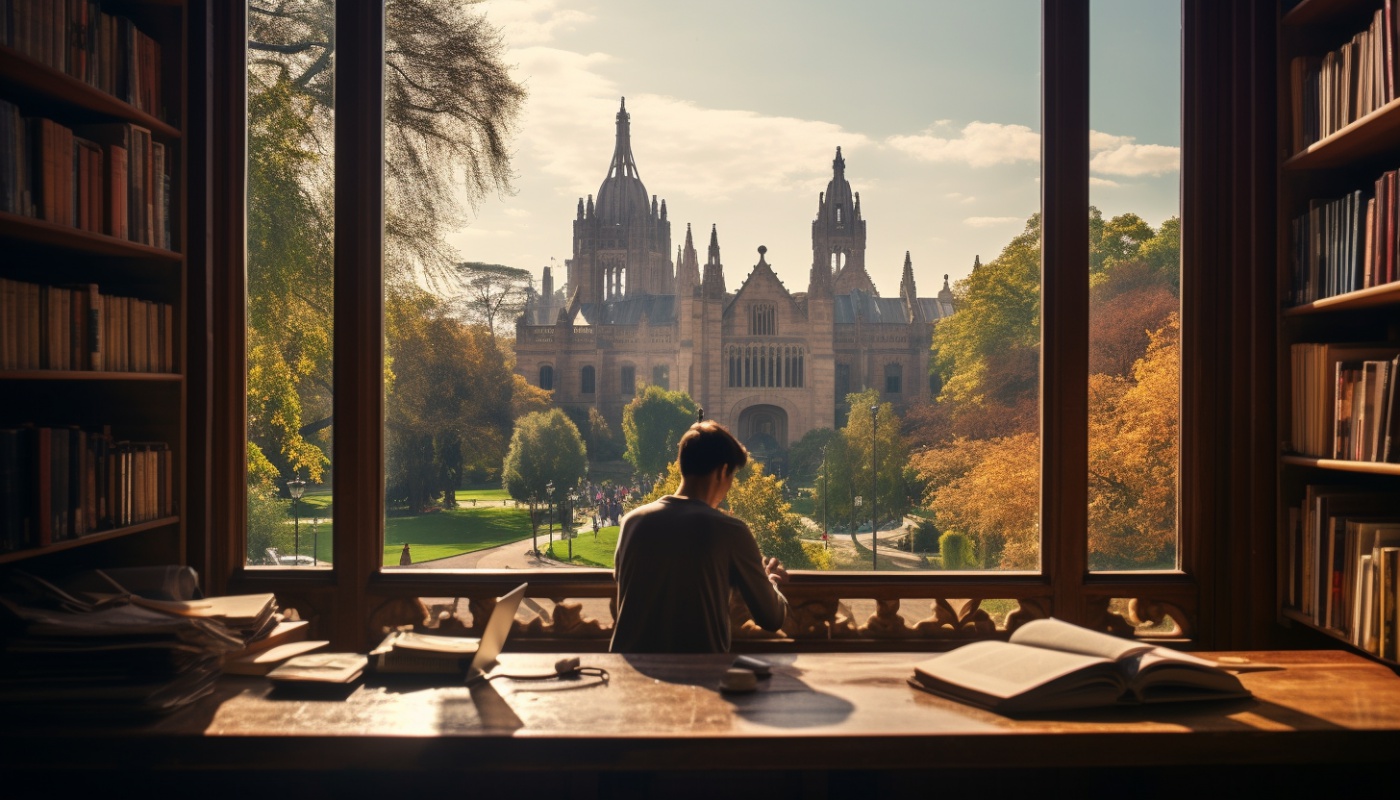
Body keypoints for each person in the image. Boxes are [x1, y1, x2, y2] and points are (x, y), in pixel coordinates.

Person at [610, 418, 788, 653]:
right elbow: (771, 617)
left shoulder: (632, 521)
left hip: (629, 674)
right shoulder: (730, 531)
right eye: (732, 475)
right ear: (723, 471)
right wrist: (770, 581)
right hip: (697, 675)